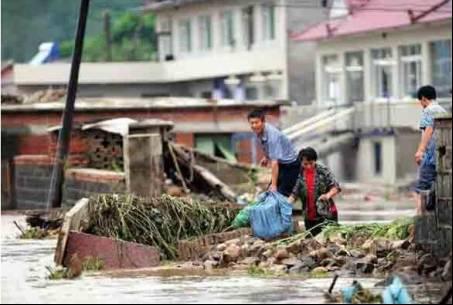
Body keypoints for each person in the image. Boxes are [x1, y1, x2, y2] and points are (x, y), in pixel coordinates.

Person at [288, 147, 341, 236]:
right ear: (301, 163)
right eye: (305, 164)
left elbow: (336, 187)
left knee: (328, 242)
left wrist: (327, 195)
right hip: (309, 216)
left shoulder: (323, 171)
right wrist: (286, 204)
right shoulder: (300, 174)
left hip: (326, 214)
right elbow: (295, 193)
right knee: (313, 242)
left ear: (315, 161)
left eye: (311, 163)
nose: (308, 166)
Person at [247, 109, 300, 197]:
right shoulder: (260, 131)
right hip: (281, 164)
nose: (254, 125)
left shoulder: (272, 136)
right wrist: (266, 157)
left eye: (256, 122)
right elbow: (266, 145)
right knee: (269, 193)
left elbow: (274, 162)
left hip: (291, 165)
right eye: (251, 123)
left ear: (263, 122)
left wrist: (274, 185)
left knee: (279, 195)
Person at [414, 85, 447, 215]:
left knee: (421, 189)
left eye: (420, 102)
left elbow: (428, 129)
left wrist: (420, 151)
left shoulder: (428, 110)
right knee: (438, 189)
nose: (421, 104)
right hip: (442, 158)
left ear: (423, 99)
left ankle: (420, 219)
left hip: (429, 158)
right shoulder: (443, 111)